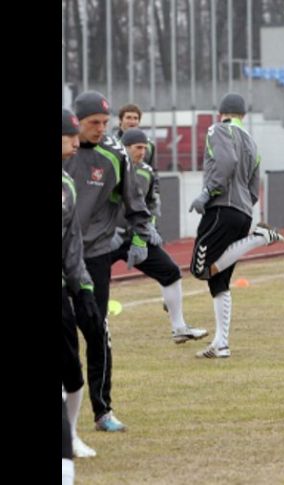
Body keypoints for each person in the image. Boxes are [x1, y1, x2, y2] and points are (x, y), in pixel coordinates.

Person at [63, 91, 154, 433]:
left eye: (104, 122)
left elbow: (133, 200)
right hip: (61, 254)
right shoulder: (64, 151)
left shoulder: (116, 156)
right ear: (77, 122)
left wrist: (140, 235)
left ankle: (103, 411)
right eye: (92, 124)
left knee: (97, 331)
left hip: (95, 254)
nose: (101, 129)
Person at [189, 92, 284, 358]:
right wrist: (246, 204)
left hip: (222, 208)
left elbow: (227, 161)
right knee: (218, 281)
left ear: (221, 112)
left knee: (199, 269)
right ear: (244, 114)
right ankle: (221, 343)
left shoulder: (218, 129)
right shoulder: (252, 142)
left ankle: (259, 238)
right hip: (243, 211)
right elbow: (255, 185)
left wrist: (208, 192)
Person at [109, 128, 208, 343]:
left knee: (170, 272)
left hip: (135, 236)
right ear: (125, 148)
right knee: (83, 280)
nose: (143, 152)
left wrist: (147, 231)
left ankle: (179, 328)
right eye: (138, 147)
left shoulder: (147, 171)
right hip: (107, 238)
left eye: (145, 147)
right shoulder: (110, 168)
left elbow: (152, 204)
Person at [61, 108, 98, 457]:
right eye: (68, 135)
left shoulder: (68, 184)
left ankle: (69, 436)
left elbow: (72, 245)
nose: (76, 140)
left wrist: (83, 288)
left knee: (72, 372)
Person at [116, 103, 157, 168]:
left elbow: (153, 171)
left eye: (135, 118)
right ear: (120, 120)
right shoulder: (112, 144)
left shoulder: (149, 145)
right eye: (128, 118)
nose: (132, 122)